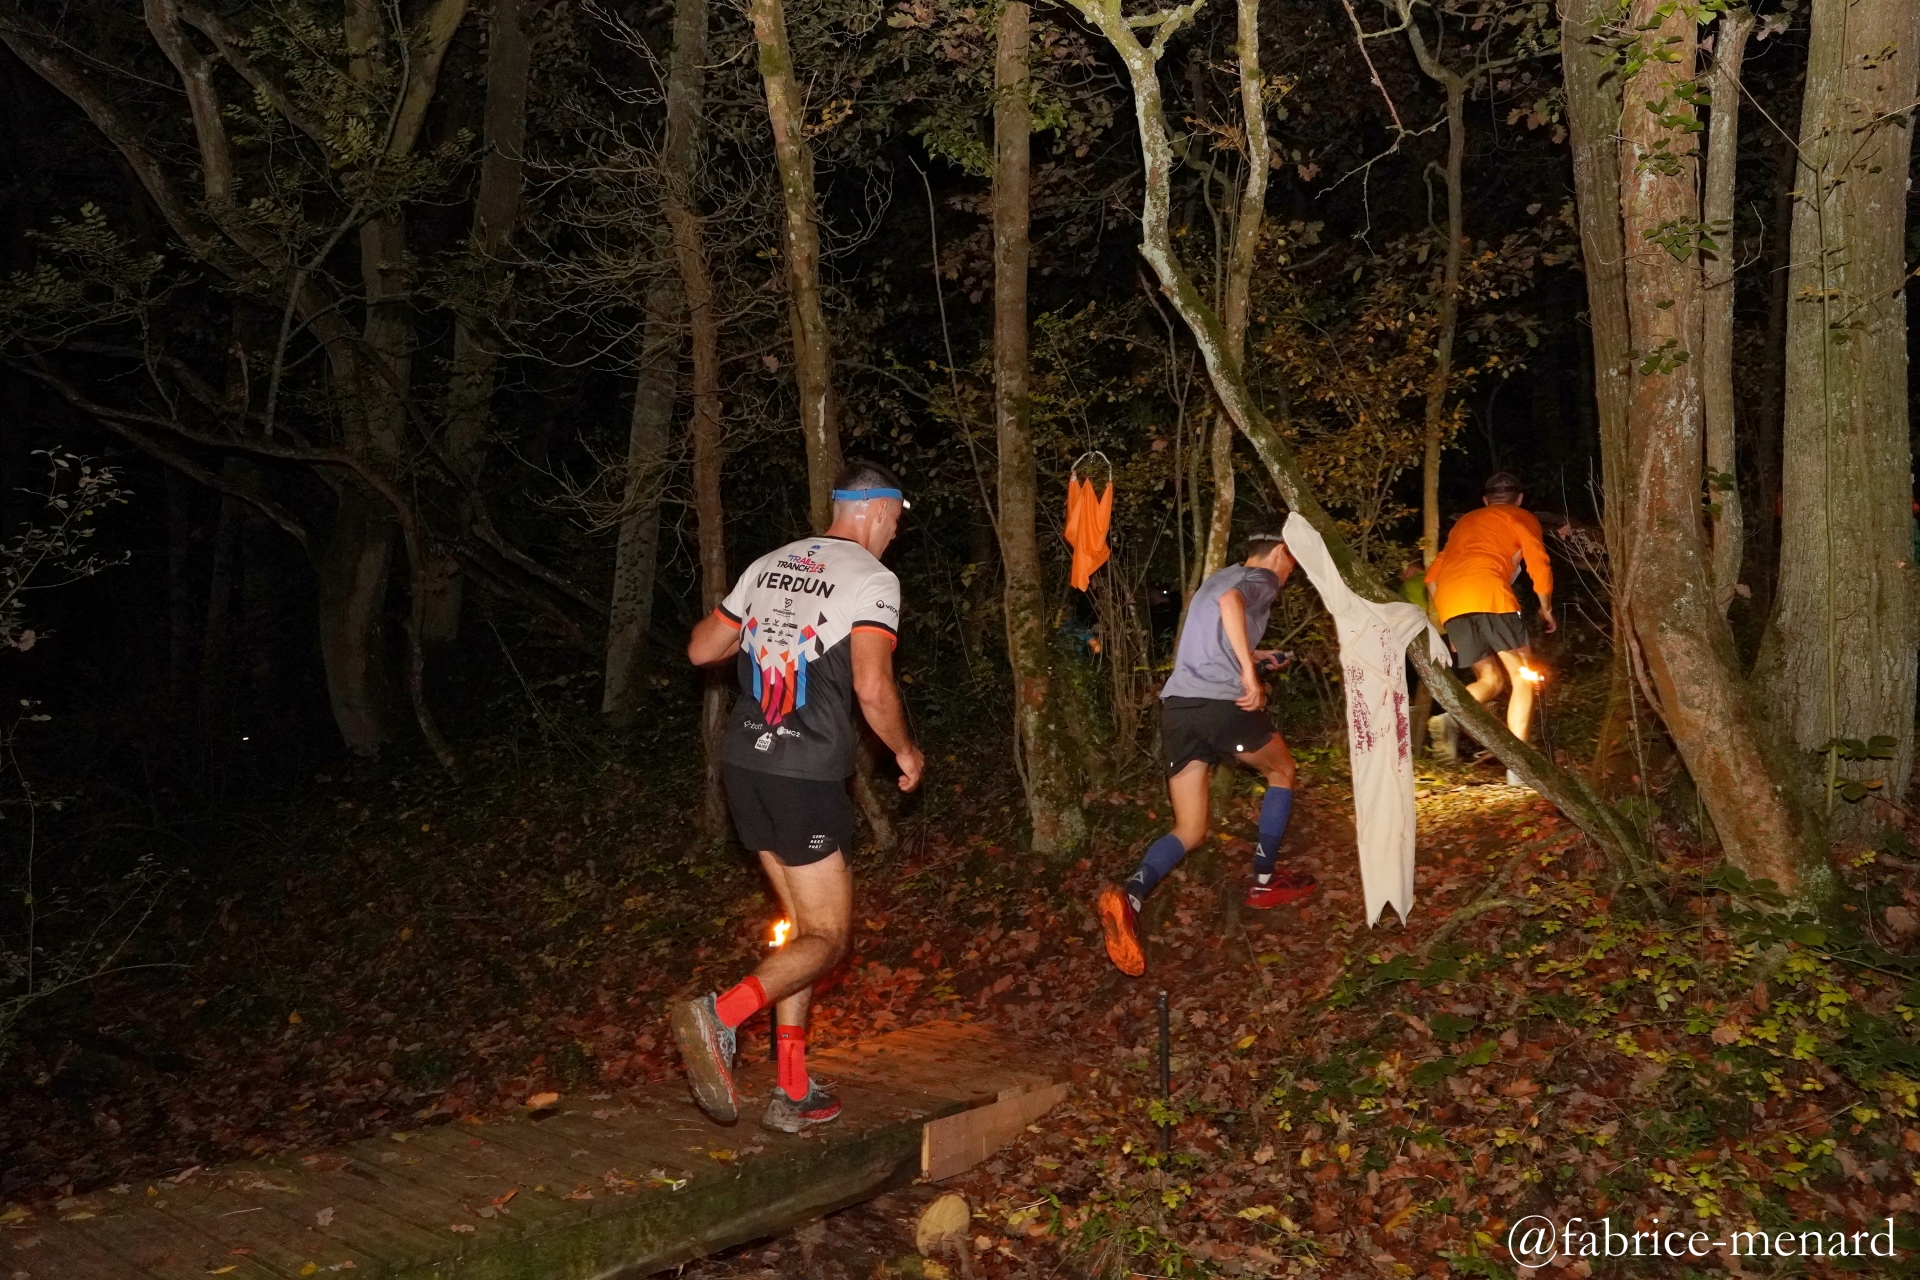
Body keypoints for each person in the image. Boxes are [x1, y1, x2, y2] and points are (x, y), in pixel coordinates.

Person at [672, 460, 925, 1133]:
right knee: (829, 937)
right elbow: (872, 686)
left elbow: (701, 650)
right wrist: (904, 751)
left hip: (743, 764)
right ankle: (721, 1016)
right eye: (895, 522)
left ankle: (792, 1087)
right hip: (804, 773)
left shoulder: (770, 562)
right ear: (875, 509)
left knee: (802, 931)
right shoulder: (872, 579)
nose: (894, 535)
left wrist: (764, 628)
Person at [1095, 519, 1316, 978]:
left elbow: (1213, 628)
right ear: (1282, 552)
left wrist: (1255, 656)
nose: (1291, 571)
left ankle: (1131, 896)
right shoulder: (1261, 578)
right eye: (1293, 562)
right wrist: (1249, 677)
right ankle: (1264, 881)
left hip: (1178, 709)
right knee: (1282, 771)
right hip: (1220, 704)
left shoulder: (1220, 575)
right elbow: (1231, 603)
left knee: (1191, 829)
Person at [1423, 470, 1555, 773]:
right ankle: (1518, 768)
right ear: (1519, 499)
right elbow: (1538, 561)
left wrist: (1448, 620)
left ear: (1486, 500)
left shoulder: (1464, 523)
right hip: (1492, 596)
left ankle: (1450, 718)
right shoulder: (1520, 516)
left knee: (1491, 680)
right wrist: (1546, 606)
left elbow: (1431, 578)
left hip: (1452, 603)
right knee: (1523, 676)